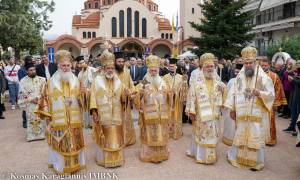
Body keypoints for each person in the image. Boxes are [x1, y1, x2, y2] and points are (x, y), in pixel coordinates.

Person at [36, 50, 86, 174]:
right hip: (59, 120)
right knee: (60, 142)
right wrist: (48, 117)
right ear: (58, 66)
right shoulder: (51, 82)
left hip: (74, 119)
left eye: (68, 65)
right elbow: (45, 99)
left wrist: (84, 94)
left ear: (71, 66)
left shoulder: (76, 80)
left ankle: (76, 164)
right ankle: (61, 166)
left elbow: (82, 99)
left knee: (75, 142)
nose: (66, 68)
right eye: (63, 65)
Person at [225, 47, 275, 171]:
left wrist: (260, 93)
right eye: (246, 63)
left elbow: (271, 94)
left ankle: (256, 161)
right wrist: (232, 109)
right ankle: (238, 157)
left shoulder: (263, 78)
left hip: (256, 115)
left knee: (255, 136)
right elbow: (233, 93)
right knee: (240, 134)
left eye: (250, 63)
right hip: (242, 114)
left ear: (255, 62)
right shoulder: (239, 77)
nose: (248, 65)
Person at [185, 53, 226, 164]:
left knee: (212, 135)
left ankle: (211, 156)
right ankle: (201, 156)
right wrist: (191, 110)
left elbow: (224, 97)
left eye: (212, 66)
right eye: (207, 66)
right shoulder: (196, 80)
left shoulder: (217, 80)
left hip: (214, 114)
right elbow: (191, 95)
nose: (210, 68)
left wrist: (223, 91)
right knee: (202, 135)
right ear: (203, 67)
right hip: (201, 114)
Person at [90, 50, 127, 167]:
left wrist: (126, 95)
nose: (110, 70)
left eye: (112, 68)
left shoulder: (118, 81)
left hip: (116, 115)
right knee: (104, 136)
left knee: (116, 135)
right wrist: (94, 112)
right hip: (103, 115)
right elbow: (93, 97)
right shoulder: (97, 81)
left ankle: (117, 159)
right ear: (104, 68)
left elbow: (124, 95)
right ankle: (104, 159)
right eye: (108, 68)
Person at [134, 55, 171, 163]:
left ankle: (161, 154)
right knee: (150, 135)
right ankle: (149, 155)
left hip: (161, 115)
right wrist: (140, 94)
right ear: (148, 70)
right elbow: (136, 93)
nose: (153, 72)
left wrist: (169, 93)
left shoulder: (163, 81)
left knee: (160, 134)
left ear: (158, 70)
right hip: (149, 114)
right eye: (151, 70)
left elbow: (169, 94)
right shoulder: (145, 81)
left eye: (155, 70)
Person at [260, 58, 287, 146]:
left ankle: (271, 139)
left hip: (269, 103)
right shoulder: (256, 75)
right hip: (259, 102)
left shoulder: (274, 76)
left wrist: (276, 103)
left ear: (269, 65)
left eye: (265, 65)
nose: (263, 67)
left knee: (270, 120)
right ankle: (259, 138)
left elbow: (278, 89)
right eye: (262, 65)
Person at [18, 63, 46, 142]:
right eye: (31, 70)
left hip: (40, 102)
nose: (33, 71)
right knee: (31, 119)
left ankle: (41, 135)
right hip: (29, 103)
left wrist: (38, 98)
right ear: (27, 71)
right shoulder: (23, 81)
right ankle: (31, 136)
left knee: (40, 118)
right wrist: (31, 99)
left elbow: (44, 91)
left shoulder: (42, 79)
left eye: (34, 70)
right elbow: (21, 93)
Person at [163, 58, 188, 140]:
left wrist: (182, 86)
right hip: (168, 101)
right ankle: (168, 133)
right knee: (168, 116)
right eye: (170, 66)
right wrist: (169, 91)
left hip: (177, 101)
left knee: (177, 116)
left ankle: (176, 132)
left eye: (173, 66)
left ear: (176, 67)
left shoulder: (181, 77)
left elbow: (184, 90)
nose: (171, 68)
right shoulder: (165, 77)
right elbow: (162, 88)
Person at [114, 52, 136, 146]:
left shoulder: (127, 71)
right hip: (115, 102)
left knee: (126, 120)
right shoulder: (111, 72)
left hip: (126, 101)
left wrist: (130, 93)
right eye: (119, 61)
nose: (121, 63)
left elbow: (131, 85)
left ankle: (127, 139)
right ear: (115, 62)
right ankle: (117, 140)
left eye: (123, 61)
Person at [222, 63, 243, 146]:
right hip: (231, 106)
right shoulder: (231, 81)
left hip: (240, 107)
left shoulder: (246, 82)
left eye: (238, 72)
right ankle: (229, 138)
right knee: (230, 123)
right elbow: (227, 93)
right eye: (235, 72)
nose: (236, 74)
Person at [77, 56, 96, 129]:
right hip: (84, 94)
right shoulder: (79, 74)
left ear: (85, 63)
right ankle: (87, 123)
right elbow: (79, 84)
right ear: (78, 65)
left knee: (92, 107)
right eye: (80, 63)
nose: (82, 64)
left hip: (92, 92)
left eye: (83, 62)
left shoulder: (91, 70)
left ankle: (93, 123)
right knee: (86, 108)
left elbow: (97, 76)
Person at [18, 56, 34, 128]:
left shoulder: (33, 68)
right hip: (26, 90)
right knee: (26, 106)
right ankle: (25, 121)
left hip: (34, 90)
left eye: (30, 60)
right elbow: (21, 81)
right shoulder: (21, 70)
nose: (29, 61)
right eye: (28, 60)